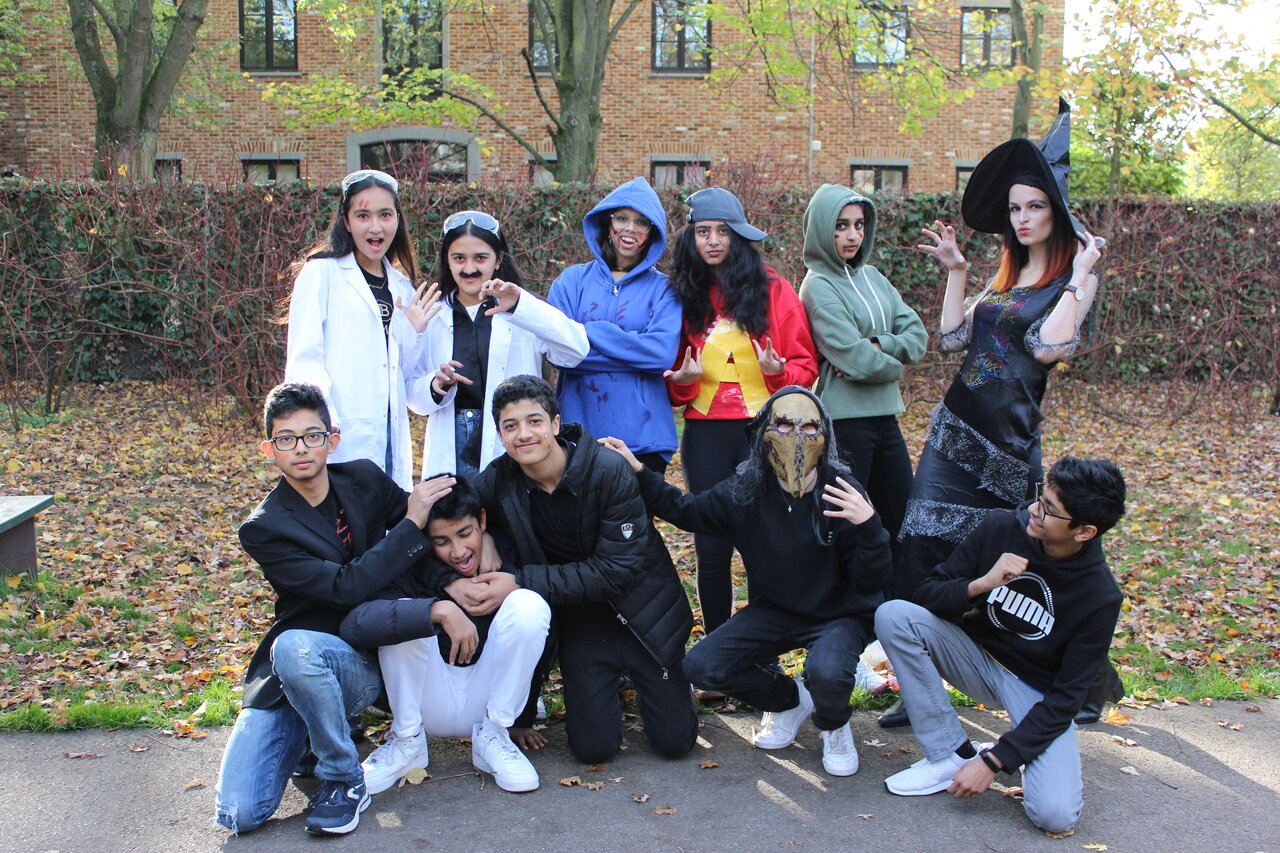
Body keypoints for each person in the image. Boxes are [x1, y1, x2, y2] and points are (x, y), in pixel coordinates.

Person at [886, 102, 1105, 729]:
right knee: (919, 550)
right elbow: (953, 340)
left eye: (1034, 206)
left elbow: (1047, 348)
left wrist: (1079, 275)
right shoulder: (1004, 279)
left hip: (1009, 448)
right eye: (1014, 209)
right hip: (953, 437)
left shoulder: (1074, 281)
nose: (1022, 218)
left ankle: (1081, 680)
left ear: (1056, 213)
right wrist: (957, 272)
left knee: (1024, 564)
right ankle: (917, 682)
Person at [602, 386, 892, 777]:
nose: (797, 437)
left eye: (809, 427)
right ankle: (791, 701)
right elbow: (685, 510)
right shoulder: (746, 489)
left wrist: (869, 525)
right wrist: (639, 470)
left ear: (825, 434)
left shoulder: (842, 489)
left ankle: (833, 723)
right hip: (775, 610)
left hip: (839, 614)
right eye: (784, 424)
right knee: (704, 666)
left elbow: (873, 580)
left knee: (827, 673)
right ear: (763, 433)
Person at [213, 383, 446, 836]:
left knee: (297, 650)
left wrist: (464, 570)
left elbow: (429, 533)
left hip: (360, 663)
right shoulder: (264, 528)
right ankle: (310, 734)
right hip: (296, 666)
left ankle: (342, 778)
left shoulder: (364, 479)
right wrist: (409, 522)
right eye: (286, 439)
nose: (301, 448)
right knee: (238, 813)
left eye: (311, 435)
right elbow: (344, 587)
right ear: (269, 450)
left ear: (332, 440)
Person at [875, 455, 1126, 833]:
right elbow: (927, 595)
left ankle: (1016, 757)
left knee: (1055, 816)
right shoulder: (1001, 527)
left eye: (1049, 509)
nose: (1034, 510)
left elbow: (1067, 698)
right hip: (974, 659)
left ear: (1084, 531)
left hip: (1035, 691)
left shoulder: (1100, 595)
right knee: (894, 615)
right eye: (1041, 496)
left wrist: (996, 761)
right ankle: (949, 754)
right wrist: (983, 584)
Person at [460, 374, 698, 764]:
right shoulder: (501, 479)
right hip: (581, 621)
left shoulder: (607, 470)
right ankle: (603, 684)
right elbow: (455, 507)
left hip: (642, 613)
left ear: (555, 423)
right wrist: (482, 530)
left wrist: (519, 581)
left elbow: (615, 570)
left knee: (675, 743)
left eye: (534, 421)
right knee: (593, 749)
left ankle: (666, 684)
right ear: (500, 435)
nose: (524, 434)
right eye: (510, 426)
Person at [666, 186, 819, 633]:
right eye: (703, 231)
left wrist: (777, 373)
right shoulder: (680, 294)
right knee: (711, 547)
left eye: (722, 231)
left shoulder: (774, 289)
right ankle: (717, 649)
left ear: (738, 235)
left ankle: (761, 651)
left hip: (764, 432)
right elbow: (673, 381)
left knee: (765, 544)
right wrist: (682, 383)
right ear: (690, 238)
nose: (713, 240)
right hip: (705, 435)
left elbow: (805, 366)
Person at [338, 475, 551, 794]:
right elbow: (355, 625)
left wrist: (524, 718)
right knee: (405, 612)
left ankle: (495, 737)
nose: (459, 551)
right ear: (426, 540)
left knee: (529, 603)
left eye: (465, 534)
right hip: (426, 704)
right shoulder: (408, 565)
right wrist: (437, 610)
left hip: (489, 704)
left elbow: (545, 630)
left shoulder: (509, 554)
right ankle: (406, 742)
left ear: (482, 522)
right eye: (442, 541)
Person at [285, 169, 441, 490]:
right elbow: (304, 360)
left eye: (385, 215)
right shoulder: (321, 274)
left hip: (389, 441)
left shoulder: (401, 287)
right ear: (346, 221)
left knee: (386, 517)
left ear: (397, 219)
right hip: (337, 438)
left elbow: (402, 377)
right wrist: (322, 425)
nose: (375, 227)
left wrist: (415, 334)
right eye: (363, 215)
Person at [408, 210, 589, 480]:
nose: (469, 268)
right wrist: (435, 385)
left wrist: (521, 305)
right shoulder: (432, 315)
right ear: (447, 260)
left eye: (481, 258)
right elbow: (413, 396)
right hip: (451, 441)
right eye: (459, 258)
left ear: (498, 260)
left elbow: (576, 350)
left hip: (512, 440)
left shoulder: (523, 311)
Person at [798, 183, 927, 545]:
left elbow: (917, 337)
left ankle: (898, 583)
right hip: (846, 422)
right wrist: (897, 367)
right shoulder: (818, 287)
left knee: (902, 519)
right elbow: (856, 359)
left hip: (886, 417)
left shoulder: (874, 278)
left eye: (859, 224)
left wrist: (879, 344)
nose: (853, 235)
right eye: (840, 226)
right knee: (845, 526)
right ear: (822, 228)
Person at [547, 177, 681, 473]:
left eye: (641, 222)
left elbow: (660, 355)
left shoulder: (665, 290)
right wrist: (634, 354)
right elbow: (560, 352)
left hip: (644, 442)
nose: (630, 228)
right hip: (578, 435)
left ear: (652, 232)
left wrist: (589, 331)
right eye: (621, 218)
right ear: (608, 223)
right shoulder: (571, 281)